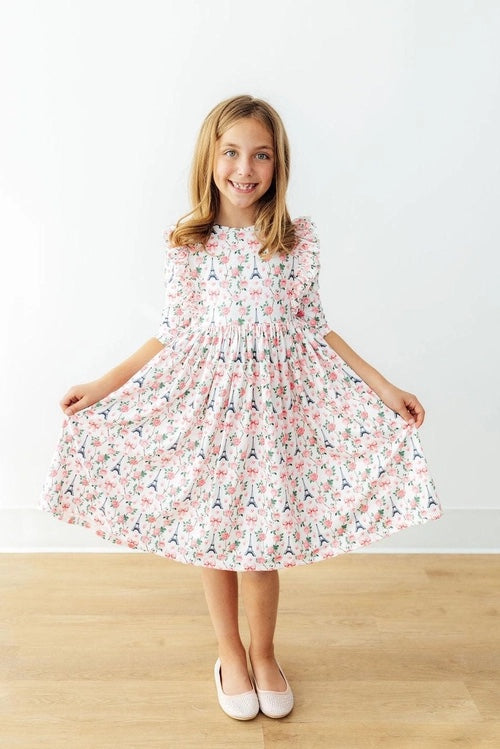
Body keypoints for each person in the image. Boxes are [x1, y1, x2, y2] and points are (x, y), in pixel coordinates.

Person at [39, 94, 443, 721]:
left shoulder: (295, 241)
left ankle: (264, 653)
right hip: (210, 413)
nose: (244, 169)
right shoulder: (189, 244)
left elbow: (316, 326)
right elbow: (172, 332)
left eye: (261, 155)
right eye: (231, 153)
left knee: (261, 545)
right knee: (215, 538)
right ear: (210, 158)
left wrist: (383, 386)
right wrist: (104, 384)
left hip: (275, 415)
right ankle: (229, 651)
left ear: (279, 165)